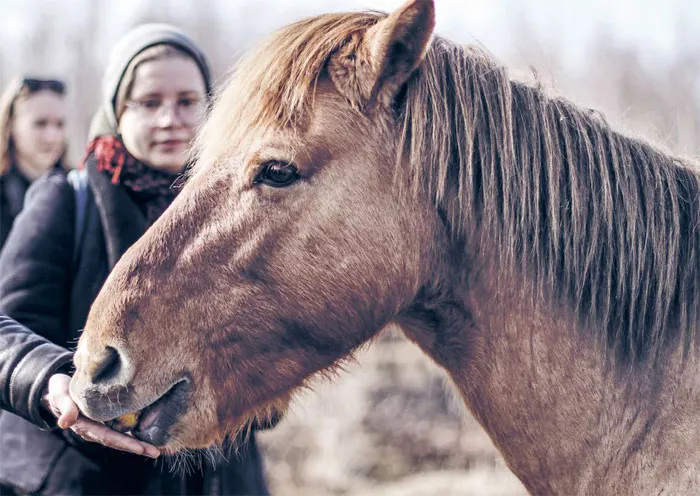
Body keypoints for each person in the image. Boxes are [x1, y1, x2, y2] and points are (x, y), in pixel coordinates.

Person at [0, 24, 270, 495]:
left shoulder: (250, 212)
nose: (171, 119)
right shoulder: (66, 200)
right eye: (148, 102)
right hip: (84, 478)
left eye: (188, 101)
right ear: (116, 111)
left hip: (222, 481)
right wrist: (50, 380)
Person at [0, 76, 68, 249]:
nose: (52, 136)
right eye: (40, 124)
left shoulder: (81, 189)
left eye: (59, 125)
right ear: (11, 126)